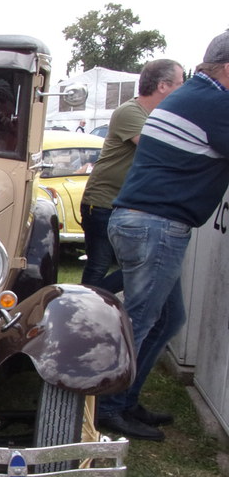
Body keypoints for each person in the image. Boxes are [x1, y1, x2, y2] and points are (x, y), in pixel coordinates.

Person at [96, 32, 229, 441]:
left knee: (168, 319)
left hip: (142, 221)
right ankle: (107, 408)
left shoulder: (191, 94)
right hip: (157, 225)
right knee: (140, 321)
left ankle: (125, 399)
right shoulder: (216, 103)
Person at [80, 59, 185, 293]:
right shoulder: (130, 112)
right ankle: (87, 304)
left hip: (122, 205)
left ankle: (92, 301)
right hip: (103, 202)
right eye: (180, 83)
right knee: (102, 266)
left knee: (138, 266)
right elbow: (157, 149)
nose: (184, 89)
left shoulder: (156, 115)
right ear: (162, 86)